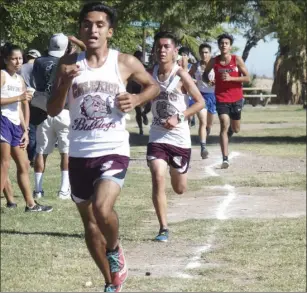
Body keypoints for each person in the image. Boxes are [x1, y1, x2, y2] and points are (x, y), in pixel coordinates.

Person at [47, 2, 160, 292]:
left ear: (110, 31)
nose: (93, 29)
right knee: (90, 225)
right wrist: (64, 82)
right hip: (80, 152)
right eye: (87, 24)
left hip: (113, 149)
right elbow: (52, 108)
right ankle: (111, 281)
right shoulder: (68, 64)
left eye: (99, 25)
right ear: (80, 29)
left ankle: (114, 248)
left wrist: (136, 100)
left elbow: (153, 86)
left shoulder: (123, 62)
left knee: (102, 207)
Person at [147, 31, 204, 242]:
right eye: (158, 47)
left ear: (175, 50)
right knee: (157, 176)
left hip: (179, 138)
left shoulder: (181, 75)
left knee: (179, 189)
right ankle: (163, 228)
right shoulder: (148, 73)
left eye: (166, 47)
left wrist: (179, 117)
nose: (162, 50)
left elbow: (200, 102)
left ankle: (175, 169)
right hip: (157, 136)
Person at [0, 43, 52, 212]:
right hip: (2, 122)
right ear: (6, 60)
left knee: (23, 165)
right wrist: (19, 97)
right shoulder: (2, 75)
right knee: (5, 164)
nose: (17, 61)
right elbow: (17, 100)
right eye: (14, 58)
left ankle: (31, 204)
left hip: (16, 125)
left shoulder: (20, 79)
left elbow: (22, 108)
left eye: (20, 58)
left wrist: (25, 130)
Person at [32, 33, 71, 199]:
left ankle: (38, 189)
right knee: (65, 151)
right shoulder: (69, 61)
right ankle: (63, 190)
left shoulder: (38, 61)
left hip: (44, 109)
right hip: (64, 110)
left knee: (41, 151)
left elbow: (36, 82)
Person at [203, 33, 250, 168]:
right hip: (221, 97)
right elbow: (205, 74)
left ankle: (230, 131)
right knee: (224, 123)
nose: (223, 45)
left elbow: (247, 78)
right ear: (219, 45)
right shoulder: (214, 61)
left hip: (236, 98)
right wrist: (209, 80)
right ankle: (225, 159)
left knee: (236, 129)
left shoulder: (237, 59)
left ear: (230, 46)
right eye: (221, 43)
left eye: (226, 43)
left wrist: (231, 78)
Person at [190, 43, 216, 159]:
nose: (204, 54)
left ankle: (208, 130)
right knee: (202, 121)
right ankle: (203, 147)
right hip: (200, 96)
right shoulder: (196, 66)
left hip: (212, 96)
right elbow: (187, 77)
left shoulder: (215, 65)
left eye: (206, 52)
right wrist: (193, 81)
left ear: (210, 53)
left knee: (209, 124)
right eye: (202, 52)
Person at [19, 49, 41, 166]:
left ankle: (31, 156)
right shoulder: (37, 67)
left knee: (29, 128)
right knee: (37, 129)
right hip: (36, 97)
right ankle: (34, 157)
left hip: (23, 97)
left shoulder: (20, 67)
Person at [126, 50, 151, 135]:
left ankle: (144, 114)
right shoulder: (129, 67)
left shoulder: (144, 66)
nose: (140, 58)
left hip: (143, 89)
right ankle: (140, 129)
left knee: (149, 106)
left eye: (141, 57)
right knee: (138, 111)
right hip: (134, 90)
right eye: (138, 56)